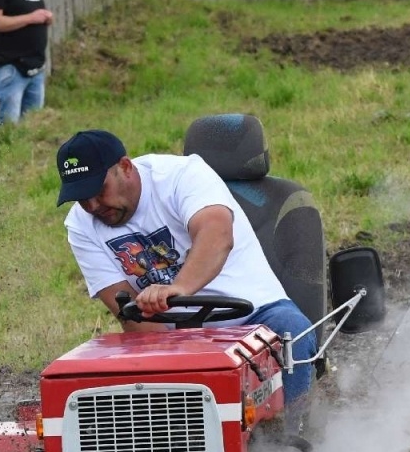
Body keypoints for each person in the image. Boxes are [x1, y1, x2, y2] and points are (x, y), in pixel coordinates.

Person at [54, 129, 319, 404]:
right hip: (173, 333)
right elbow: (129, 313)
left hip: (255, 314)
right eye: (82, 198)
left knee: (293, 330)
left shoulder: (183, 176)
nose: (93, 205)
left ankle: (294, 438)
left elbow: (217, 236)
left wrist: (178, 288)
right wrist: (175, 370)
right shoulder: (80, 224)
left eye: (99, 190)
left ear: (125, 167)